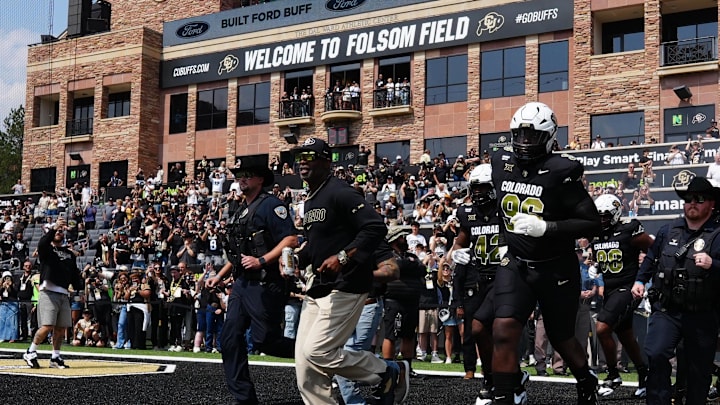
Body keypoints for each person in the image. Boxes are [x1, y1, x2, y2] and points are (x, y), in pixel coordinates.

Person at [489, 102, 601, 404]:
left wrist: (547, 228)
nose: (525, 143)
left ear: (550, 136)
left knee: (561, 336)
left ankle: (585, 378)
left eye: (532, 136)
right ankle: (504, 394)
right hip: (516, 263)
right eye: (520, 135)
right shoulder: (500, 161)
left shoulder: (561, 170)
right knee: (502, 328)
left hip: (555, 267)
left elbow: (592, 222)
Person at [292, 137, 409, 405]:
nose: (303, 162)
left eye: (310, 156)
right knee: (305, 366)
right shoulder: (310, 199)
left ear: (325, 160)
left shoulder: (340, 191)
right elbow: (318, 246)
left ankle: (388, 370)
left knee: (318, 351)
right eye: (300, 157)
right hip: (318, 287)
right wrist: (299, 258)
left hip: (346, 284)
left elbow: (375, 227)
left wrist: (342, 257)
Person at [205, 161, 298, 404]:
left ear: (260, 180)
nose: (242, 179)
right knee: (229, 339)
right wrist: (220, 275)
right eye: (239, 176)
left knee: (265, 340)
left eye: (248, 175)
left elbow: (291, 239)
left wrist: (262, 260)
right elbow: (238, 254)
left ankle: (315, 354)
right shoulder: (239, 210)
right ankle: (244, 399)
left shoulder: (271, 206)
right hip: (242, 285)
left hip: (266, 283)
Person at [631, 176, 720, 405]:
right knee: (656, 353)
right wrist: (640, 281)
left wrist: (714, 264)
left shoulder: (718, 234)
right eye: (689, 198)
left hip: (702, 313)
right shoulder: (668, 230)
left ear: (711, 204)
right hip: (667, 309)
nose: (693, 203)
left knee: (697, 371)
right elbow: (651, 260)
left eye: (700, 199)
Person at [590, 194, 653, 398]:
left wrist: (643, 278)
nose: (601, 220)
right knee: (625, 335)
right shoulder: (597, 234)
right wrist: (597, 266)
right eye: (598, 216)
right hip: (610, 290)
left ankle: (613, 374)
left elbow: (655, 250)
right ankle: (645, 375)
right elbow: (606, 257)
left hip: (627, 288)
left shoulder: (629, 230)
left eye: (605, 216)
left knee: (602, 328)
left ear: (616, 214)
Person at [448, 164, 501, 401]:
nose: (478, 193)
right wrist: (456, 253)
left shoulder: (505, 210)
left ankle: (507, 378)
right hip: (480, 280)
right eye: (475, 188)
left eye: (482, 188)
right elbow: (459, 243)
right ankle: (490, 376)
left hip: (506, 279)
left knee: (503, 332)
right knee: (478, 329)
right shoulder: (468, 214)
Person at [23, 217, 84, 369]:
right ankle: (30, 351)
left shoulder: (69, 253)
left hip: (63, 293)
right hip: (48, 291)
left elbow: (74, 275)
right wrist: (54, 227)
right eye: (56, 231)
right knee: (47, 325)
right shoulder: (47, 250)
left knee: (60, 328)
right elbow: (42, 243)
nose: (59, 232)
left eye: (60, 231)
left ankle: (55, 357)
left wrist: (79, 286)